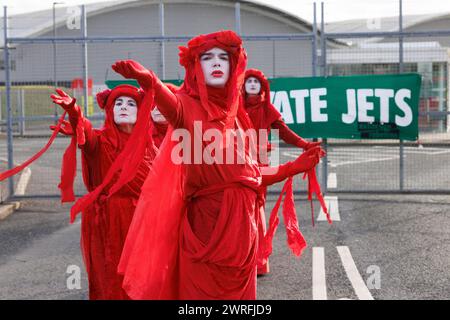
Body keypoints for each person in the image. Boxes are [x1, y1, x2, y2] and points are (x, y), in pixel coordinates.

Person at [105, 30, 326, 300]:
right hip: (206, 233)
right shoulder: (185, 106)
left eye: (224, 57)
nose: (217, 62)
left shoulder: (238, 118)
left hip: (244, 237)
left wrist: (293, 166)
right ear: (195, 68)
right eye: (207, 57)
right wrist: (149, 80)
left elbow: (249, 176)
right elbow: (170, 102)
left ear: (235, 66)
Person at [50, 85, 157, 300]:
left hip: (142, 222)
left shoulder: (149, 146)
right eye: (118, 103)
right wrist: (74, 111)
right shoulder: (98, 142)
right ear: (109, 110)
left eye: (130, 103)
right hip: (108, 221)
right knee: (110, 279)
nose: (123, 107)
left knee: (143, 281)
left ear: (141, 111)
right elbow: (85, 130)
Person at [243, 68, 321, 275]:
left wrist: (305, 145)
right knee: (239, 210)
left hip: (259, 165)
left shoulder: (268, 111)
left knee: (256, 207)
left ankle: (259, 259)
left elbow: (284, 133)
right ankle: (242, 258)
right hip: (236, 163)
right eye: (248, 81)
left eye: (256, 82)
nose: (252, 85)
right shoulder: (234, 108)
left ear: (262, 87)